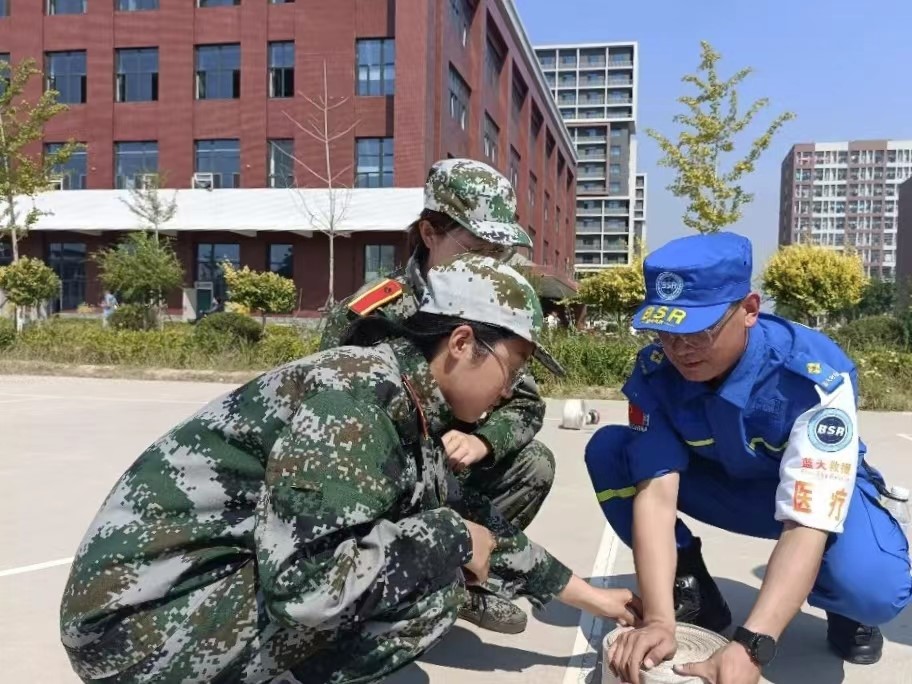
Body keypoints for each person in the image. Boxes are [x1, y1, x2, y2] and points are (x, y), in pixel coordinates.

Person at [60, 254, 642, 684]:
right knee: (431, 592)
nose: (511, 389)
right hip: (133, 632)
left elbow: (478, 516)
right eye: (510, 368)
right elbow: (310, 589)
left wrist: (595, 599)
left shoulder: (408, 398)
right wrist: (452, 538)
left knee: (429, 554)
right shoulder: (356, 402)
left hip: (185, 595)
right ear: (461, 343)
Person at [584, 232, 912, 684]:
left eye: (699, 331)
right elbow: (657, 497)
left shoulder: (811, 375)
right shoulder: (656, 371)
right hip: (733, 491)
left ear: (750, 310)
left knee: (873, 587)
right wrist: (659, 618)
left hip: (814, 500)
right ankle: (692, 590)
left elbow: (808, 519)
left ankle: (843, 606)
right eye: (666, 330)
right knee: (610, 451)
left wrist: (751, 647)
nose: (680, 349)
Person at [320, 157, 553, 634]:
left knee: (535, 463)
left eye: (498, 250)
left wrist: (484, 440)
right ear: (429, 233)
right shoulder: (374, 313)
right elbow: (325, 413)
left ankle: (460, 581)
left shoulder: (497, 302)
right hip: (383, 469)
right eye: (475, 245)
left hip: (454, 469)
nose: (487, 261)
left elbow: (526, 402)